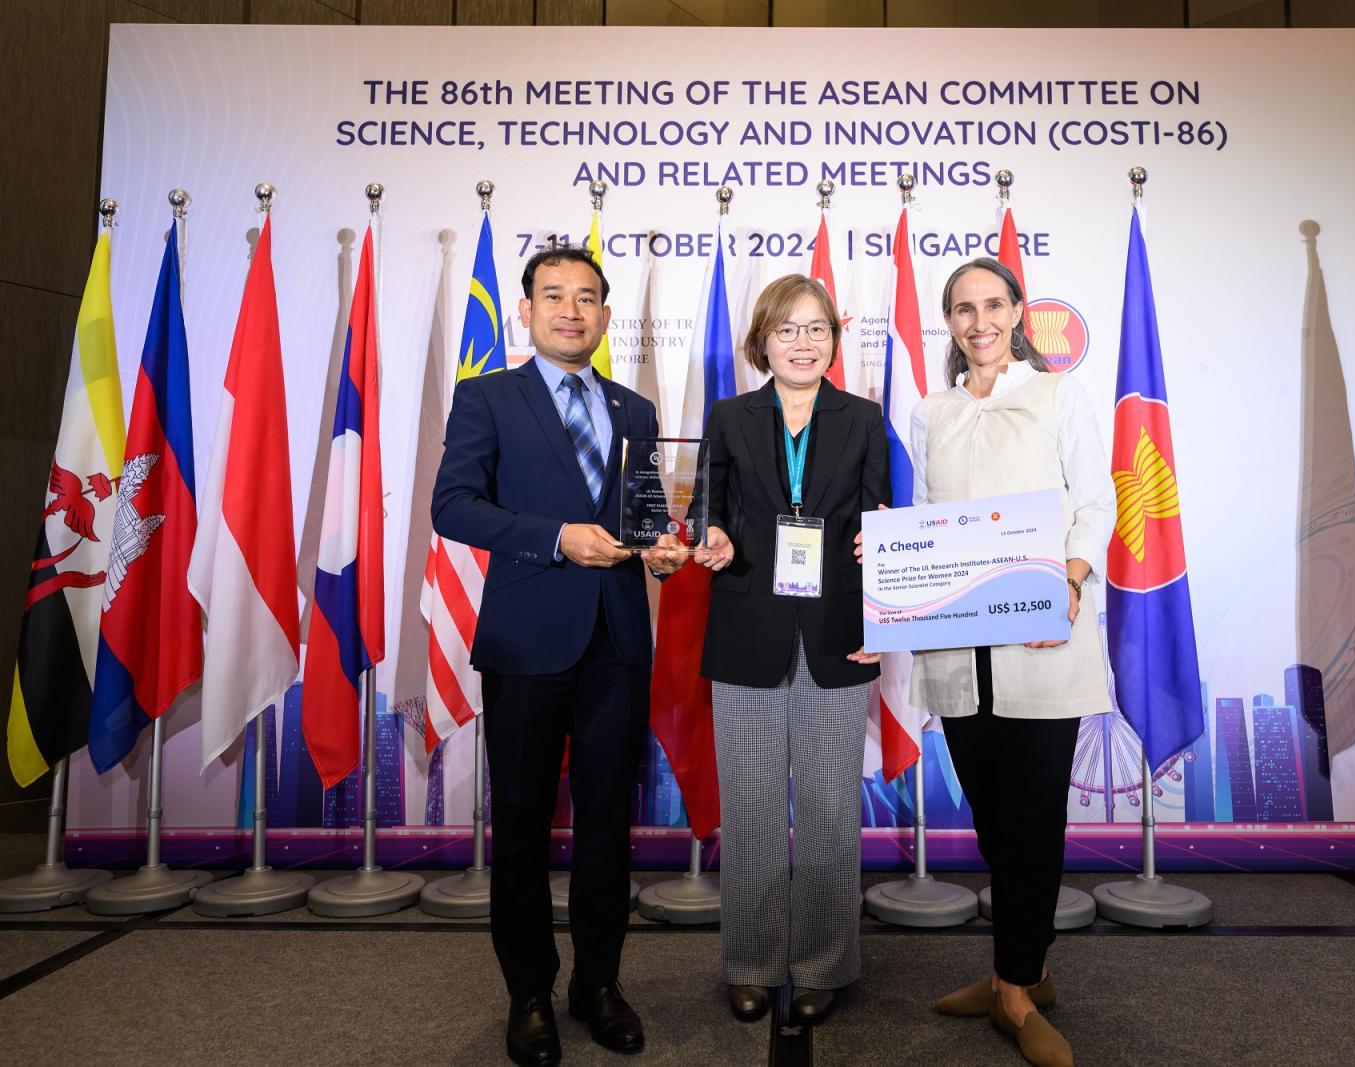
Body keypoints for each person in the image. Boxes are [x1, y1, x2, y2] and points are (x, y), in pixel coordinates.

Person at [432, 247, 686, 1067]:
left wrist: (660, 549)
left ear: (606, 317)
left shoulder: (636, 408)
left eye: (586, 298)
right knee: (523, 823)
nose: (571, 310)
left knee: (610, 824)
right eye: (555, 296)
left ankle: (599, 983)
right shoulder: (487, 398)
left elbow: (642, 515)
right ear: (528, 311)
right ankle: (530, 990)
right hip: (528, 639)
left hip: (616, 641)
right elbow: (453, 506)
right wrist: (554, 538)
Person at [911, 257, 1114, 1067]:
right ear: (950, 322)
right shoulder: (932, 411)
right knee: (996, 823)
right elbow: (929, 517)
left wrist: (1069, 576)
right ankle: (1015, 971)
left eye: (993, 305)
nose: (980, 321)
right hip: (961, 651)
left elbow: (1095, 499)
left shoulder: (1058, 394)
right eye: (964, 309)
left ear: (1018, 310)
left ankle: (1017, 991)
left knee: (1035, 820)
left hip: (1043, 640)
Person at [693, 274, 890, 1026]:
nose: (802, 343)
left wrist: (884, 620)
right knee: (747, 808)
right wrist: (707, 534)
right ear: (762, 341)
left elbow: (883, 527)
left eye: (816, 329)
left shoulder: (864, 419)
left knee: (833, 808)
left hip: (840, 633)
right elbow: (707, 506)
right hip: (747, 630)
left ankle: (824, 962)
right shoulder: (730, 415)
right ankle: (748, 961)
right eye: (787, 330)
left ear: (835, 340)